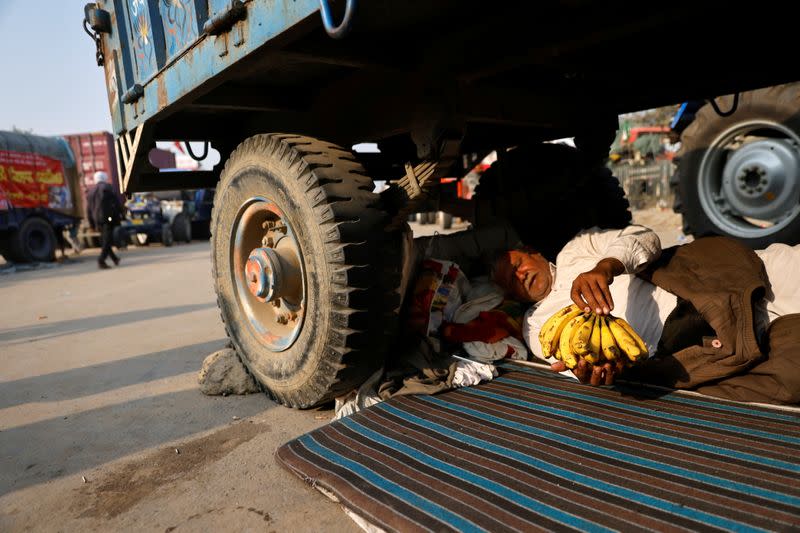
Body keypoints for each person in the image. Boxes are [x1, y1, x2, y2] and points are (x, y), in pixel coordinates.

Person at [491, 225, 800, 404]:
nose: (519, 276)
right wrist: (599, 371)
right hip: (693, 341)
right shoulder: (536, 326)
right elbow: (575, 362)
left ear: (534, 253)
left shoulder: (575, 250)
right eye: (509, 281)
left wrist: (605, 266)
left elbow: (643, 236)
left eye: (518, 265)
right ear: (509, 295)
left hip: (713, 282)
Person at [87, 171, 123, 269]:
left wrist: (91, 224)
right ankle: (101, 260)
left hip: (97, 220)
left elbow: (89, 209)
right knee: (107, 240)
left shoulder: (91, 191)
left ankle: (115, 259)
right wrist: (121, 214)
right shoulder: (107, 188)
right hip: (107, 219)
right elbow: (116, 203)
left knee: (105, 239)